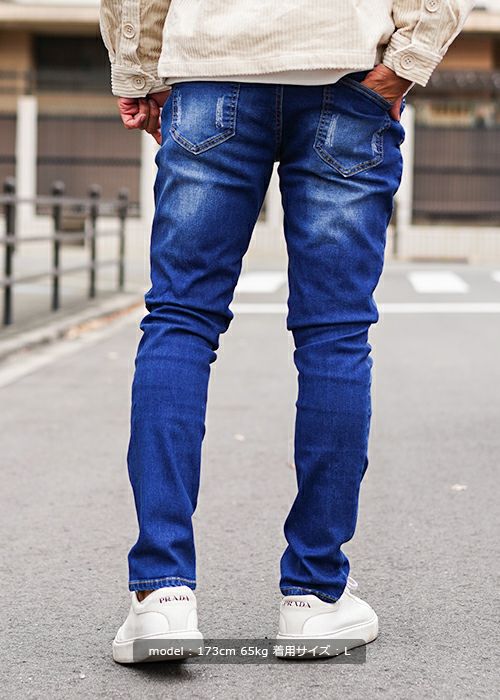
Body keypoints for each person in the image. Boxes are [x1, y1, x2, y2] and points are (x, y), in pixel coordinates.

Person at [99, 0, 474, 663]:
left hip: (213, 72)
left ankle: (162, 594)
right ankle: (315, 600)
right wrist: (404, 64)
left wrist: (140, 71)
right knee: (334, 335)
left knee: (181, 321)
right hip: (346, 73)